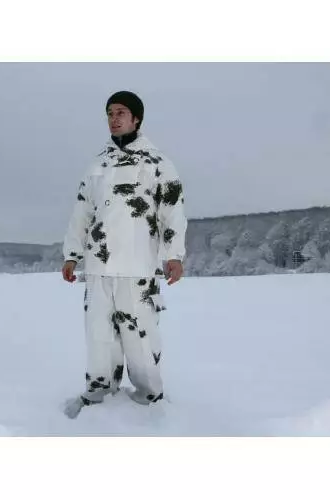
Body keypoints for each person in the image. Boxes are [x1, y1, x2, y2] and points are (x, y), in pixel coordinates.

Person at [61, 90, 187, 419]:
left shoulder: (157, 163)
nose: (113, 119)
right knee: (98, 335)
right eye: (109, 113)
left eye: (120, 112)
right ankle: (98, 394)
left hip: (137, 267)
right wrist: (72, 254)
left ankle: (151, 399)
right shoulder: (97, 165)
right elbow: (82, 212)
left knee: (140, 337)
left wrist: (174, 255)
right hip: (99, 266)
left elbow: (172, 212)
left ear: (136, 119)